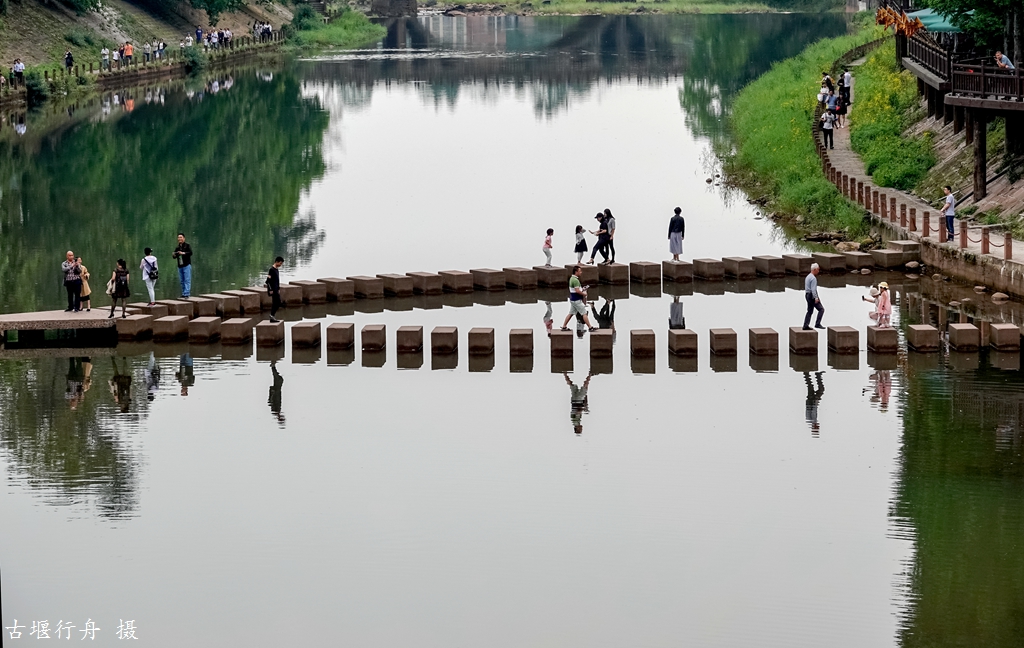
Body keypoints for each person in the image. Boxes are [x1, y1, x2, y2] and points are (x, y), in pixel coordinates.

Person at [561, 265, 597, 332]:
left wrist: (582, 289)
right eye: (580, 271)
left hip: (572, 300)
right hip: (576, 300)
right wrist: (584, 293)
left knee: (571, 313)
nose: (581, 272)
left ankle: (564, 326)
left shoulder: (572, 279)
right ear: (576, 272)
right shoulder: (575, 280)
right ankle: (590, 327)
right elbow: (577, 291)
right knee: (584, 313)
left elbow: (575, 290)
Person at [802, 263, 824, 330]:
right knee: (821, 309)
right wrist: (816, 298)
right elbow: (813, 289)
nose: (818, 271)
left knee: (810, 311)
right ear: (814, 269)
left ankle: (805, 325)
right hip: (812, 295)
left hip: (807, 295)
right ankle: (817, 324)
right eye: (818, 269)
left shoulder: (808, 276)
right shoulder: (813, 278)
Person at [173, 233, 193, 298]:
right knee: (182, 280)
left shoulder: (187, 246)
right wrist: (174, 254)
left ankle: (186, 293)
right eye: (178, 237)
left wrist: (183, 253)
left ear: (184, 238)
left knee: (187, 280)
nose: (179, 239)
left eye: (181, 237)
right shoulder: (177, 247)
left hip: (186, 265)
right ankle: (183, 293)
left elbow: (190, 253)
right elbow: (174, 256)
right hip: (180, 265)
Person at [804, 371, 825, 436]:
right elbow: (809, 410)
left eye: (817, 427)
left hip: (812, 402)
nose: (818, 425)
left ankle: (816, 375)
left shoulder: (813, 419)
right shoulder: (809, 419)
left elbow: (813, 410)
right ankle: (807, 374)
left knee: (820, 389)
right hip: (809, 402)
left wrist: (816, 402)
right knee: (810, 386)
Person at [267, 256, 284, 322]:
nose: (280, 265)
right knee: (277, 302)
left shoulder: (276, 270)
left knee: (276, 303)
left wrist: (278, 288)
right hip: (273, 290)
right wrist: (270, 290)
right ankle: (272, 315)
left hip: (276, 289)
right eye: (280, 263)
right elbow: (268, 281)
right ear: (276, 262)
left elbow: (277, 280)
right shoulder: (271, 270)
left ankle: (272, 316)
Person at [269, 360, 285, 426]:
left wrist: (272, 393)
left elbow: (271, 401)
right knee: (279, 379)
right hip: (277, 392)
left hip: (276, 392)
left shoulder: (275, 411)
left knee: (278, 379)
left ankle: (273, 367)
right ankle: (273, 367)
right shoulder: (277, 411)